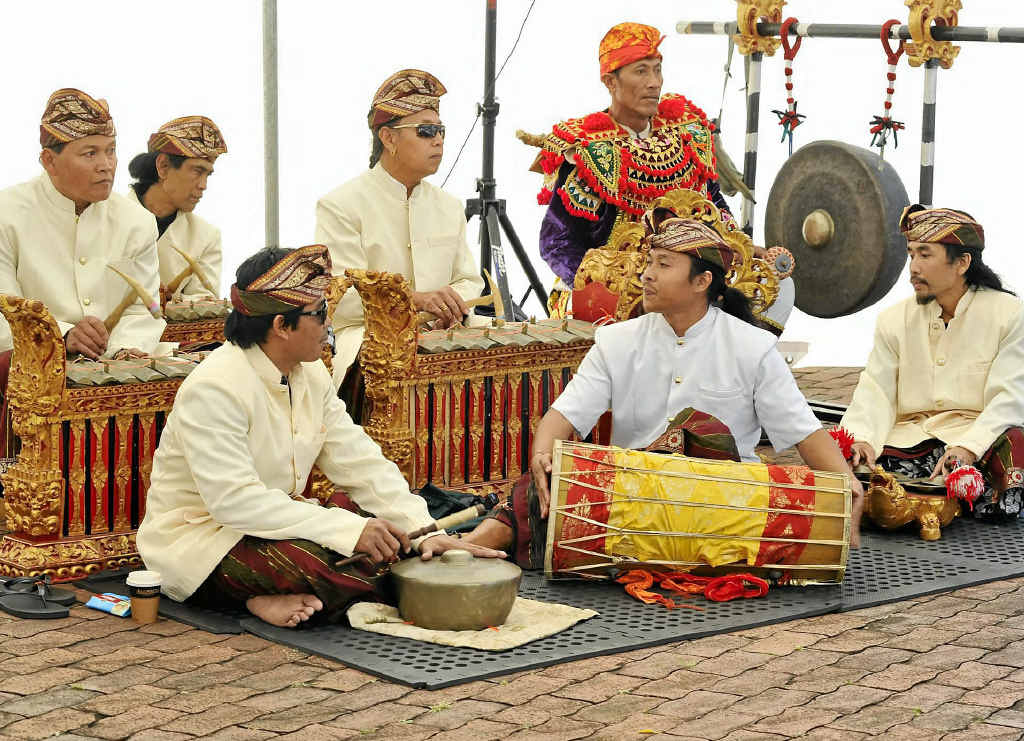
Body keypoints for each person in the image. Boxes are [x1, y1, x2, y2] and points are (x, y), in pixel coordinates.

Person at [463, 207, 863, 565]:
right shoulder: (618, 340)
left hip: (721, 500)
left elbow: (803, 432)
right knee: (545, 484)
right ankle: (467, 547)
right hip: (634, 499)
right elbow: (564, 415)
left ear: (702, 280)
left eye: (663, 264)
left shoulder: (752, 348)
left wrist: (845, 485)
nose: (647, 274)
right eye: (649, 262)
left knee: (787, 496)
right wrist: (542, 454)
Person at [136, 245, 503, 628]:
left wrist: (420, 530)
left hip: (276, 521)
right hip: (206, 539)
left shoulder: (309, 373)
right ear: (281, 325)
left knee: (387, 536)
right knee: (347, 568)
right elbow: (236, 504)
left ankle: (273, 595)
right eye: (319, 314)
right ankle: (252, 598)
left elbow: (359, 461)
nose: (329, 326)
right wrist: (351, 531)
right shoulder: (214, 388)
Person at [530, 22, 795, 329]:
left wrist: (742, 249)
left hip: (689, 281)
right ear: (610, 81)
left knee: (776, 286)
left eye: (657, 70)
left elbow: (715, 209)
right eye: (641, 71)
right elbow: (557, 243)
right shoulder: (592, 152)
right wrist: (612, 280)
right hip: (618, 291)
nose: (654, 83)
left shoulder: (686, 135)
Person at [841, 205, 1024, 520]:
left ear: (962, 263)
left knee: (1017, 445)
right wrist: (862, 438)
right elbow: (876, 391)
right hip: (910, 441)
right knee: (850, 460)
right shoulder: (893, 320)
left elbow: (1009, 398)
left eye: (925, 255)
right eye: (912, 254)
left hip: (977, 439)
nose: (913, 267)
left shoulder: (1010, 315)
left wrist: (969, 447)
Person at [315, 69, 484, 385]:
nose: (438, 140)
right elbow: (340, 297)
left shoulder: (448, 206)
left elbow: (467, 280)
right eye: (426, 130)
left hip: (444, 338)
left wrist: (449, 307)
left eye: (441, 130)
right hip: (368, 349)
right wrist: (415, 301)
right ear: (388, 138)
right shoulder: (341, 205)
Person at [0, 87, 164, 359]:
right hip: (29, 371)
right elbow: (2, 309)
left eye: (111, 151)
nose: (106, 165)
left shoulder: (137, 222)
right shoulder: (6, 214)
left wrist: (124, 349)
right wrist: (62, 335)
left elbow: (146, 309)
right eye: (90, 153)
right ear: (48, 161)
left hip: (113, 368)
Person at [128, 116, 227, 301]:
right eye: (197, 171)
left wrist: (167, 301)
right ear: (163, 166)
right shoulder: (106, 216)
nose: (203, 185)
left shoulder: (205, 236)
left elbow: (205, 301)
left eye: (208, 174)